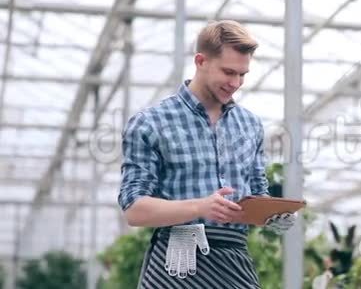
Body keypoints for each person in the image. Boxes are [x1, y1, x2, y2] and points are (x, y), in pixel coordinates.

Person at [118, 20, 296, 288]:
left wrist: (273, 216)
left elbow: (258, 195)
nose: (236, 83)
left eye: (242, 74)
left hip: (234, 262)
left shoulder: (250, 125)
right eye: (228, 72)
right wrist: (200, 207)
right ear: (201, 61)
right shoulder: (150, 123)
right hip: (177, 259)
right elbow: (134, 210)